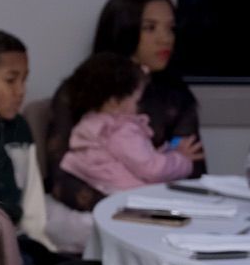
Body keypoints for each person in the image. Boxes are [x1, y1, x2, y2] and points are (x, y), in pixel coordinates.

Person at [44, 0, 205, 213]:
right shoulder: (79, 89)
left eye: (170, 28)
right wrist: (116, 210)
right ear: (123, 29)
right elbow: (60, 175)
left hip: (160, 213)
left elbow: (194, 172)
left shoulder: (176, 97)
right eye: (150, 28)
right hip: (98, 214)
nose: (166, 39)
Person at [0, 27, 59, 265]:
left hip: (17, 241)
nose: (21, 91)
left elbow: (32, 196)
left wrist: (41, 245)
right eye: (10, 80)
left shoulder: (18, 128)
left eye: (24, 80)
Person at [56, 52, 197, 194]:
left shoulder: (89, 125)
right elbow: (152, 169)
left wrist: (169, 152)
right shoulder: (121, 131)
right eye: (136, 101)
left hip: (104, 192)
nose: (138, 107)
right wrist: (182, 160)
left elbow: (137, 158)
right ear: (114, 102)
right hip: (130, 196)